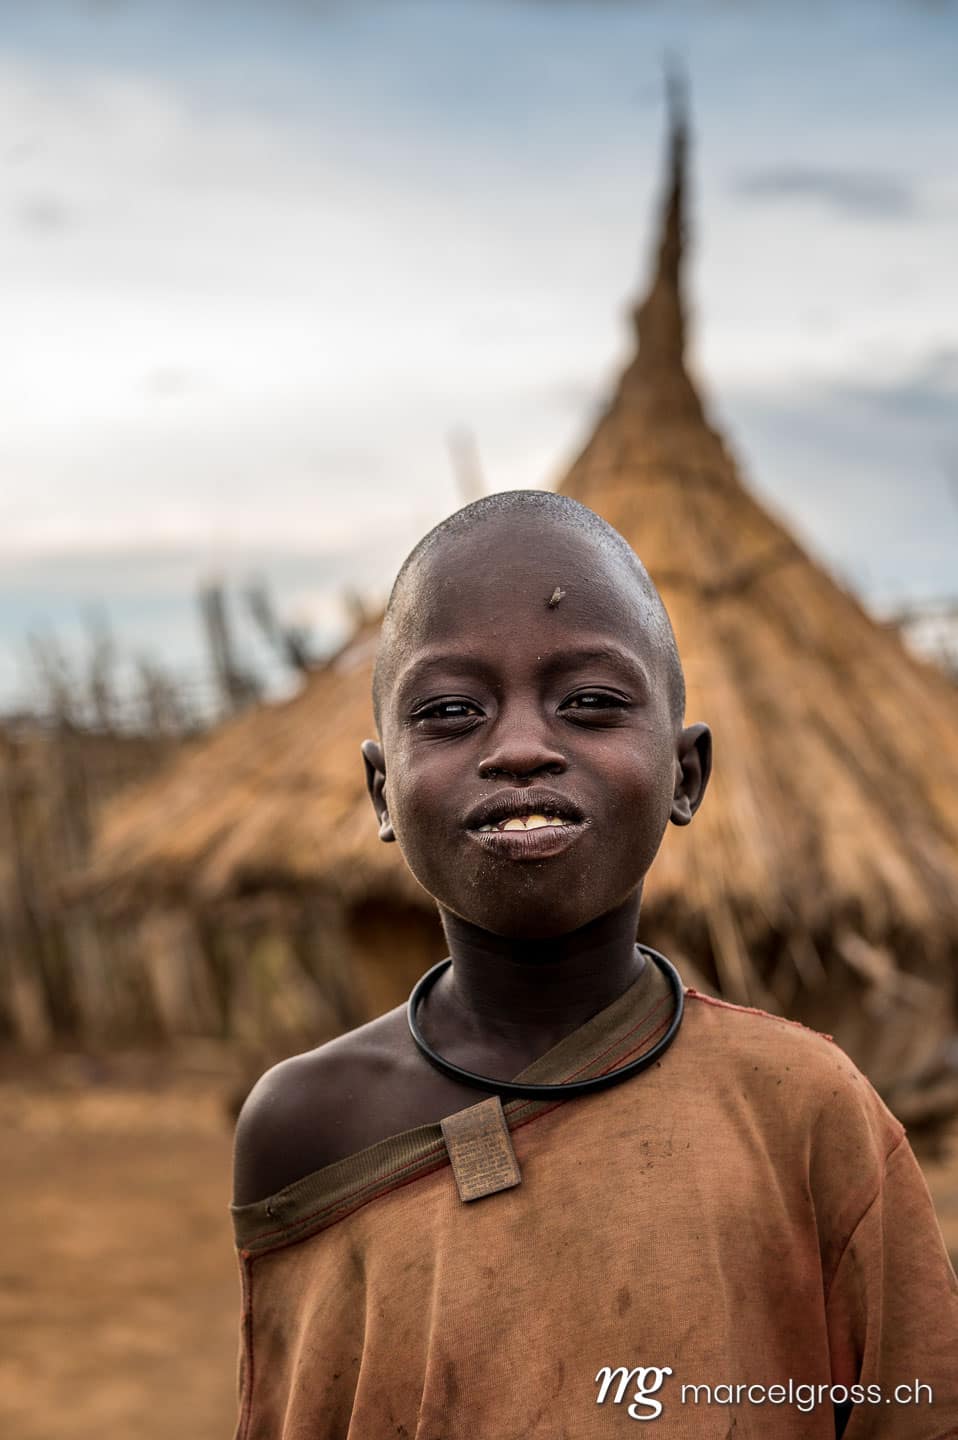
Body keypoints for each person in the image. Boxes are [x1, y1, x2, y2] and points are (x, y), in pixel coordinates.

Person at [230, 490, 958, 1439]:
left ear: (685, 774)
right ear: (381, 790)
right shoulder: (305, 1127)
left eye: (591, 704)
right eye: (451, 711)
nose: (523, 748)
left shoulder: (802, 1107)